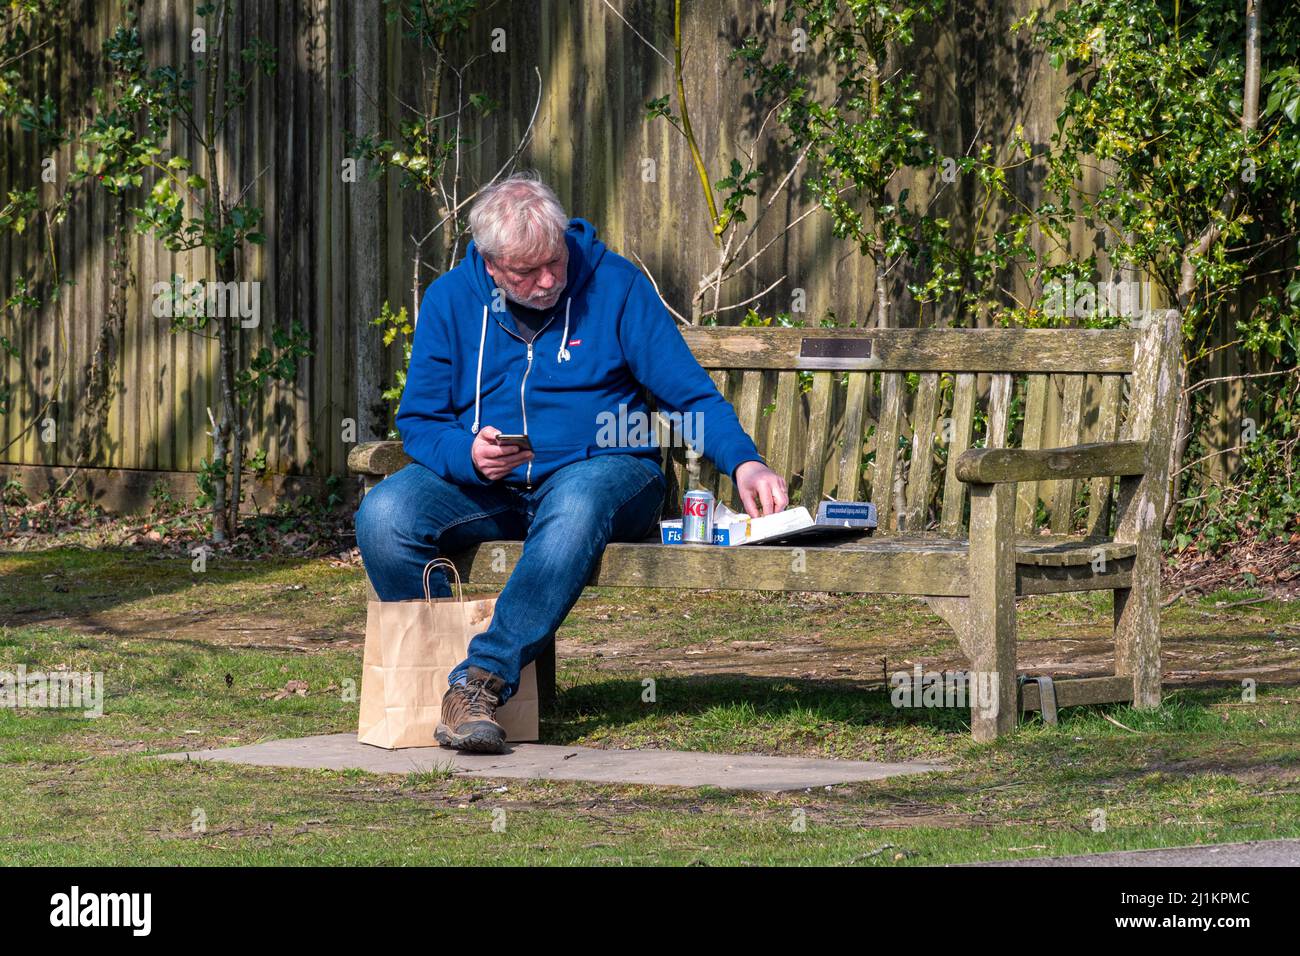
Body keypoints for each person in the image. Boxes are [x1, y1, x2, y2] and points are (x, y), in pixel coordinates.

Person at [355, 171, 787, 753]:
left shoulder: (617, 287)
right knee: (384, 514)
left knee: (577, 502)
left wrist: (745, 463)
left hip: (609, 472)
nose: (549, 279)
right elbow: (420, 422)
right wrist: (467, 454)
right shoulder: (451, 301)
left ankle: (482, 677)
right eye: (526, 272)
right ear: (489, 264)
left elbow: (688, 396)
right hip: (494, 486)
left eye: (554, 261)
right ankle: (452, 690)